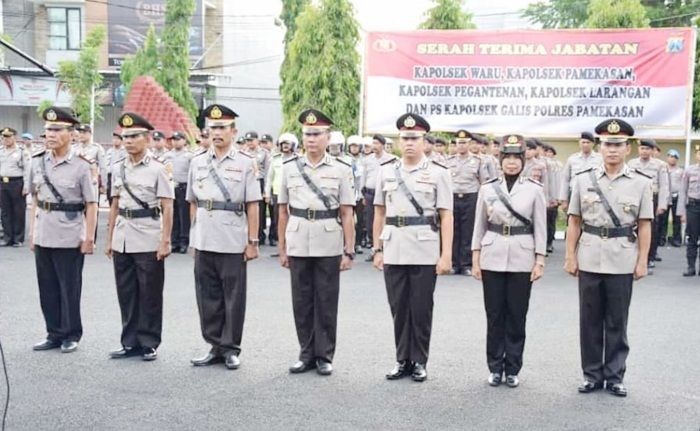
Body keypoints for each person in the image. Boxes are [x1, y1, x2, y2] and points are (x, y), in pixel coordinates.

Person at [565, 119, 652, 398]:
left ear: (628, 148)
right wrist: (570, 256)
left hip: (622, 258)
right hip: (589, 256)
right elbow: (574, 221)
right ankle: (591, 374)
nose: (612, 150)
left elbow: (645, 224)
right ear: (600, 148)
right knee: (589, 320)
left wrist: (642, 261)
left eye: (617, 145)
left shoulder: (641, 183)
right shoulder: (582, 178)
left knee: (617, 320)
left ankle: (615, 376)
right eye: (607, 145)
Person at [373, 113, 453, 382]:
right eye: (404, 138)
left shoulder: (439, 173)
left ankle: (419, 360)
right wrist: (377, 249)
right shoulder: (386, 170)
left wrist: (446, 255)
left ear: (424, 141)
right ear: (398, 140)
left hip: (424, 248)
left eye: (414, 138)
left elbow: (446, 216)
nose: (409, 143)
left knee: (420, 308)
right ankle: (401, 359)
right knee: (398, 307)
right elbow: (379, 213)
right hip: (394, 247)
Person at [277, 108, 355, 376]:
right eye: (308, 134)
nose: (312, 139)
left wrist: (349, 250)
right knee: (301, 300)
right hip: (298, 239)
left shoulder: (342, 170)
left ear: (328, 137)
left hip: (328, 240)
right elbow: (282, 210)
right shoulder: (288, 168)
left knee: (326, 299)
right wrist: (282, 247)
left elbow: (347, 212)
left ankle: (324, 355)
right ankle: (306, 353)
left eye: (317, 134)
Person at [188, 104, 260, 370]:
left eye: (221, 128)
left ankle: (230, 348)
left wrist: (252, 241)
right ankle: (214, 344)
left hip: (232, 239)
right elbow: (193, 202)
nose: (216, 132)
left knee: (233, 296)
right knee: (207, 295)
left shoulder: (245, 163)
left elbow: (253, 204)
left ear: (233, 131)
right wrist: (194, 235)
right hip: (205, 238)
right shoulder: (197, 161)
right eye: (212, 128)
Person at [471, 134, 546, 388]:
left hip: (522, 256)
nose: (512, 163)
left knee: (516, 315)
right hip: (491, 255)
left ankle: (512, 368)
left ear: (524, 160)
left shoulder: (535, 190)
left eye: (516, 157)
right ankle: (494, 367)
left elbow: (541, 228)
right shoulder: (487, 188)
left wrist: (540, 260)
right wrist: (475, 256)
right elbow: (479, 226)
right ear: (500, 159)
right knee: (494, 315)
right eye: (507, 157)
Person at [105, 113, 174, 361]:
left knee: (150, 292)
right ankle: (129, 341)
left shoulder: (158, 169)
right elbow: (114, 204)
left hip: (148, 235)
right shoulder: (118, 167)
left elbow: (167, 206)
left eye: (134, 136)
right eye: (125, 137)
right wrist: (109, 236)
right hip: (123, 234)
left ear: (146, 138)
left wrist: (165, 240)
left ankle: (149, 341)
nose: (128, 141)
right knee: (126, 291)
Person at [29, 106, 98, 353]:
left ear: (71, 134)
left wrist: (89, 237)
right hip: (44, 232)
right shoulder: (36, 162)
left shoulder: (82, 165)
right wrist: (32, 232)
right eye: (48, 130)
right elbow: (36, 199)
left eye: (57, 130)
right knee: (46, 287)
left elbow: (91, 204)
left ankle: (71, 333)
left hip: (70, 235)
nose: (50, 135)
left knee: (69, 287)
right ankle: (53, 333)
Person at [446, 130, 488, 276]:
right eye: (459, 143)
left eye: (464, 143)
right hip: (452, 198)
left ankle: (466, 264)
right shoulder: (448, 161)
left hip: (471, 198)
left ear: (469, 144)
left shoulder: (478, 161)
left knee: (468, 231)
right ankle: (453, 263)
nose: (461, 146)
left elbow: (484, 183)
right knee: (453, 231)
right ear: (455, 144)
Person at [627, 139, 668, 271]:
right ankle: (633, 256)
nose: (644, 151)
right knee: (632, 227)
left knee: (651, 229)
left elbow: (664, 185)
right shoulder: (631, 163)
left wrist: (661, 204)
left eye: (647, 149)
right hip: (634, 198)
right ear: (639, 150)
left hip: (652, 198)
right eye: (642, 148)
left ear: (652, 150)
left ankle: (649, 257)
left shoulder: (660, 165)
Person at [361, 134, 396, 261]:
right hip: (370, 193)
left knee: (386, 221)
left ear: (382, 145)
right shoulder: (367, 159)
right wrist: (362, 194)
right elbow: (364, 178)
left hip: (386, 193)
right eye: (373, 143)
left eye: (377, 143)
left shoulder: (392, 159)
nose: (374, 146)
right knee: (371, 223)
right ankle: (375, 247)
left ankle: (385, 248)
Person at [265, 133, 298, 251]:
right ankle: (281, 244)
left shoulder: (298, 160)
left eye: (287, 144)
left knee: (294, 219)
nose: (285, 146)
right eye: (283, 144)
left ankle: (291, 243)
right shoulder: (275, 159)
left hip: (294, 194)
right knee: (278, 219)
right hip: (277, 193)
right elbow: (269, 178)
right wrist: (267, 193)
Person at [0, 127, 30, 246]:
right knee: (5, 212)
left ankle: (18, 238)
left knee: (18, 211)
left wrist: (26, 186)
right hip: (2, 183)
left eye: (8, 137)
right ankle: (7, 237)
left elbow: (27, 170)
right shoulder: (1, 151)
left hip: (17, 183)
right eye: (3, 137)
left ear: (14, 137)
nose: (5, 139)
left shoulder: (22, 151)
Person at [558, 132, 602, 211]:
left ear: (593, 144)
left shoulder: (600, 159)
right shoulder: (572, 159)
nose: (585, 145)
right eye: (583, 142)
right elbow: (565, 179)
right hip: (574, 193)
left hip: (593, 194)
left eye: (588, 142)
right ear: (579, 143)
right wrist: (564, 199)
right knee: (573, 217)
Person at [167, 131, 193, 253]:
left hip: (184, 187)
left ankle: (184, 241)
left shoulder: (189, 156)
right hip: (171, 187)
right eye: (173, 139)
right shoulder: (168, 155)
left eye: (178, 139)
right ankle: (174, 241)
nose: (175, 141)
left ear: (184, 140)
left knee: (184, 216)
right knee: (173, 215)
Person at [245, 131, 271, 245]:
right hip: (247, 182)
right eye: (247, 141)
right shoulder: (243, 152)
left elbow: (267, 171)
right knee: (246, 210)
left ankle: (259, 234)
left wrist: (266, 189)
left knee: (258, 210)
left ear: (257, 141)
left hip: (259, 181)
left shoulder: (264, 153)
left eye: (251, 140)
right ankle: (247, 234)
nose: (249, 143)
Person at [678, 144, 700, 276]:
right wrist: (682, 213)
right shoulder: (689, 170)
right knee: (692, 238)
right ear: (696, 155)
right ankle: (690, 267)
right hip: (693, 207)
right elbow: (683, 191)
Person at [543, 143, 563, 253]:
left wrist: (558, 198)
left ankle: (549, 242)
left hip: (553, 197)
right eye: (546, 151)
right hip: (543, 197)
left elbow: (558, 182)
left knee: (551, 221)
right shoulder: (542, 163)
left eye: (551, 152)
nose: (548, 154)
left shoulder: (557, 165)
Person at [347, 135, 365, 254]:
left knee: (360, 221)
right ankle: (348, 244)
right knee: (347, 219)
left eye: (356, 146)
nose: (354, 148)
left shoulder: (364, 161)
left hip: (360, 194)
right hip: (348, 194)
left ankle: (358, 243)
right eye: (352, 146)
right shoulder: (345, 159)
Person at [662, 149, 683, 247]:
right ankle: (661, 238)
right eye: (671, 156)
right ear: (667, 157)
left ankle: (676, 239)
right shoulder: (662, 169)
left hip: (676, 197)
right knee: (663, 219)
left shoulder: (681, 171)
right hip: (665, 197)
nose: (673, 159)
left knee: (677, 219)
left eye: (675, 157)